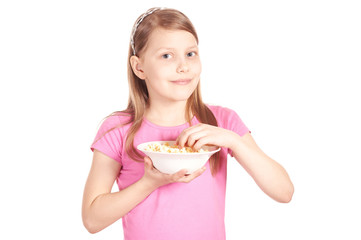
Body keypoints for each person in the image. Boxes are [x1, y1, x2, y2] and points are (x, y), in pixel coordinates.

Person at [82, 7, 294, 240]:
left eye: (190, 54)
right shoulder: (118, 129)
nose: (183, 66)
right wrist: (149, 182)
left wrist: (234, 141)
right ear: (139, 67)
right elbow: (92, 219)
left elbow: (284, 192)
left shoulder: (221, 121)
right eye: (166, 56)